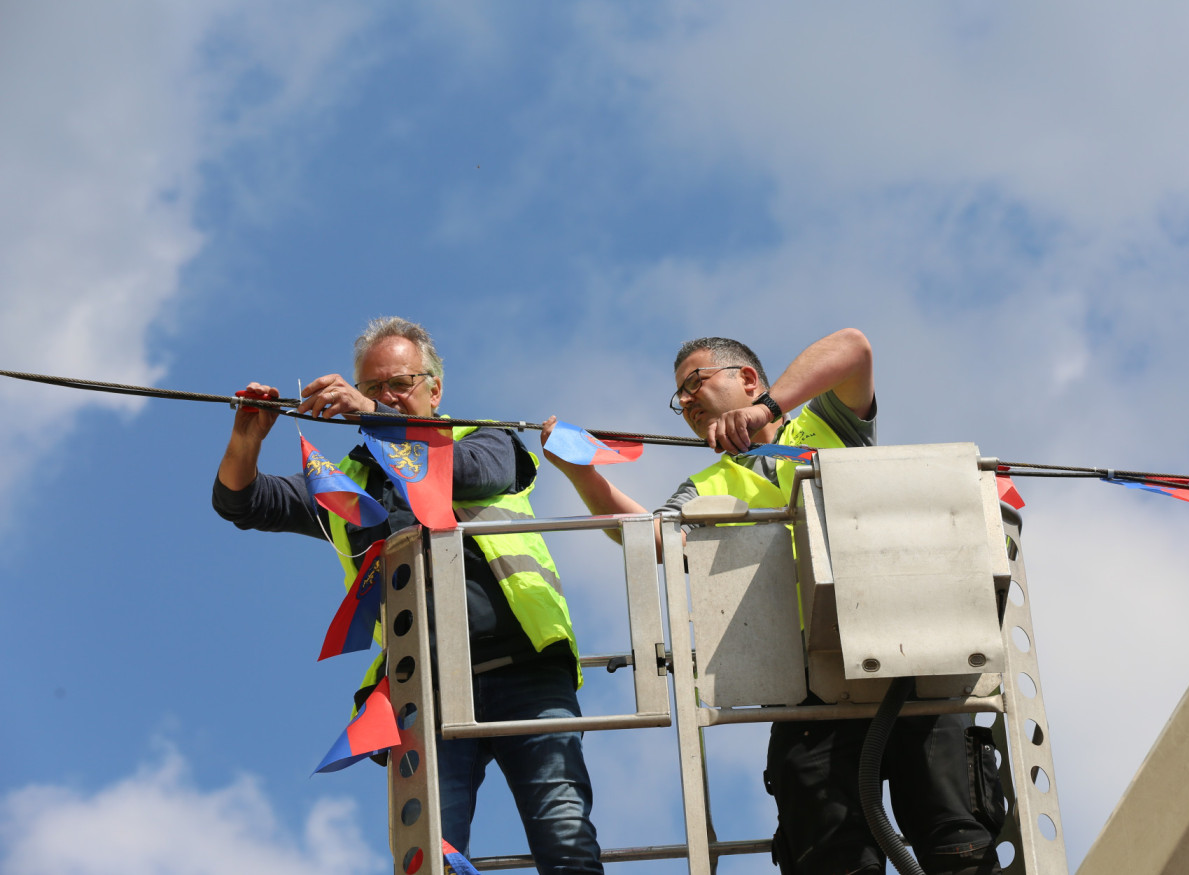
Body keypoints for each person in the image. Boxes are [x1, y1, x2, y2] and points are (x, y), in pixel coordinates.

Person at [542, 328, 1003, 875]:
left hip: (910, 665)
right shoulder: (707, 484)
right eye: (679, 397)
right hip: (807, 687)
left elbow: (854, 348)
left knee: (958, 849)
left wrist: (768, 410)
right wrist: (580, 471)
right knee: (832, 858)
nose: (685, 402)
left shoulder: (827, 424)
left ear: (748, 379)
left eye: (695, 382)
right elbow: (648, 537)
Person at [213, 316, 603, 875]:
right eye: (373, 388)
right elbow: (242, 503)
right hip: (424, 687)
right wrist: (246, 439)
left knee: (564, 840)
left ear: (435, 389)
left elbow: (460, 473)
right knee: (430, 857)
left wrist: (374, 417)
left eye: (400, 384)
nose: (386, 397)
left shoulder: (483, 438)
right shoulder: (346, 480)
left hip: (527, 671)